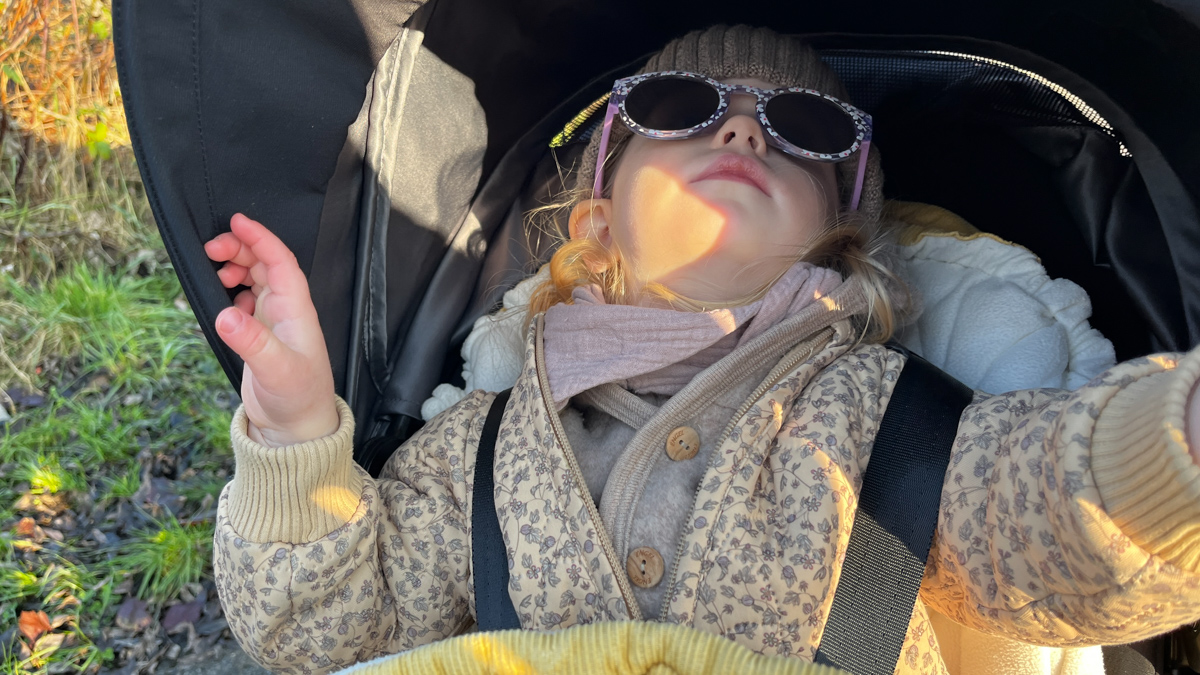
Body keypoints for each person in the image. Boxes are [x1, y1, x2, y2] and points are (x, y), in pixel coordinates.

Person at [204, 24, 1200, 675]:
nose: (746, 133)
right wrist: (296, 429)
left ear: (838, 240)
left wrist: (1177, 444)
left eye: (804, 129)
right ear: (598, 218)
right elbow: (330, 629)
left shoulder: (894, 422)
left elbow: (1047, 518)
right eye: (679, 109)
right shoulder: (483, 446)